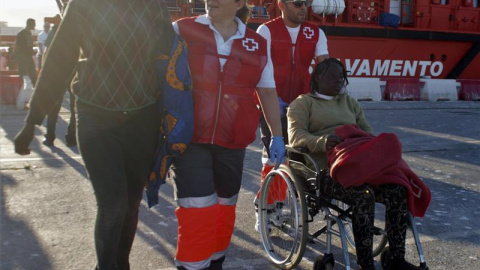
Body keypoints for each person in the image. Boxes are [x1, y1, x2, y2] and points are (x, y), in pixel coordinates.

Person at [13, 0, 176, 269]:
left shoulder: (153, 6)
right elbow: (58, 62)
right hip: (96, 117)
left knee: (131, 205)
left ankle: (119, 264)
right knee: (113, 205)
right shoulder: (84, 5)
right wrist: (32, 121)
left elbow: (169, 60)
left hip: (142, 119)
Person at [171, 1, 285, 269]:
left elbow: (267, 91)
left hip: (233, 140)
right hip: (190, 138)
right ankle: (190, 266)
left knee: (225, 206)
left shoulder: (256, 43)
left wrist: (277, 137)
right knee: (197, 208)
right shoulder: (181, 30)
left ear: (238, 3)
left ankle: (215, 262)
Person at [287, 58, 430, 270]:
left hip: (358, 164)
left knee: (397, 189)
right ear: (318, 77)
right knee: (363, 196)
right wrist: (322, 142)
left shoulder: (350, 103)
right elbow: (296, 137)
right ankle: (365, 264)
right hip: (325, 169)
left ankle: (396, 259)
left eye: (342, 77)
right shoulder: (303, 103)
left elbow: (366, 132)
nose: (340, 80)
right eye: (334, 76)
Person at [253, 0, 329, 230]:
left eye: (307, 3)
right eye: (298, 3)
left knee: (297, 158)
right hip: (270, 101)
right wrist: (270, 100)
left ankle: (282, 203)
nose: (304, 8)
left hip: (300, 105)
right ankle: (264, 209)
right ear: (282, 5)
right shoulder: (266, 30)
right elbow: (260, 68)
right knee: (273, 158)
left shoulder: (316, 33)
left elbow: (324, 69)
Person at [15, 18, 37, 86]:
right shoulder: (27, 33)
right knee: (32, 74)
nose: (35, 26)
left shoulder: (21, 33)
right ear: (30, 24)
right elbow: (29, 45)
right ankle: (35, 88)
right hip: (25, 57)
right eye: (34, 24)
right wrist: (33, 51)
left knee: (22, 74)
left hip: (22, 56)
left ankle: (20, 88)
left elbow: (17, 46)